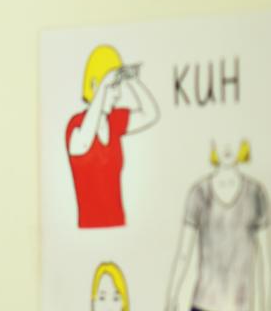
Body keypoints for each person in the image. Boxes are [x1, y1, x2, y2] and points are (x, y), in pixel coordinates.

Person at [165, 141, 270, 311]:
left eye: (233, 140)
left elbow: (265, 260)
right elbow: (183, 254)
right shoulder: (199, 192)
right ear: (213, 145)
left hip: (240, 306)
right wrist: (172, 297)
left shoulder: (256, 193)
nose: (227, 147)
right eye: (221, 141)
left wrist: (265, 306)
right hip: (203, 303)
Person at [65, 45, 159, 228]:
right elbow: (82, 145)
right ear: (94, 85)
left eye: (118, 86)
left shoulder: (115, 121)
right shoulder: (76, 125)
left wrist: (131, 78)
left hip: (119, 225)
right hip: (88, 230)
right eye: (113, 87)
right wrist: (104, 84)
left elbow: (150, 113)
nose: (118, 94)